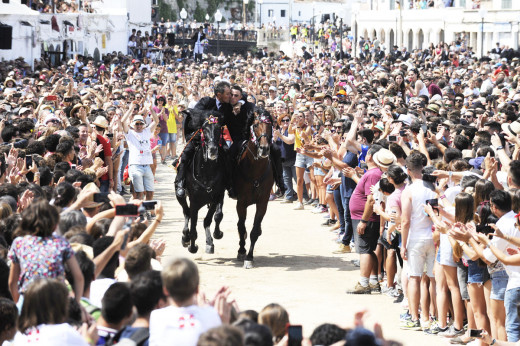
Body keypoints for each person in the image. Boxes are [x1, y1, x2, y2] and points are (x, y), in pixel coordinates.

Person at [8, 200, 84, 305]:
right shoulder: (61, 242)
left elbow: (12, 282)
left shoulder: (19, 242)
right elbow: (78, 277)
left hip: (28, 300)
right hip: (56, 301)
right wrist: (77, 303)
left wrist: (19, 304)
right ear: (55, 224)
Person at [400, 151, 437, 331]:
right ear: (422, 167)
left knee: (414, 278)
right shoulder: (432, 187)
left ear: (408, 169)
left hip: (415, 238)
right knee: (433, 279)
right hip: (434, 236)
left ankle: (415, 317)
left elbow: (405, 221)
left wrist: (403, 244)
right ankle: (433, 317)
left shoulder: (408, 191)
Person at [149, 258, 221, 346]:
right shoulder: (211, 314)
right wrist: (206, 309)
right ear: (197, 290)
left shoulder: (156, 316)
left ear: (165, 290)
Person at [121, 104, 159, 200]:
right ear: (133, 125)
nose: (139, 126)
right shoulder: (130, 133)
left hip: (147, 166)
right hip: (135, 166)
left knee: (150, 192)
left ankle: (149, 211)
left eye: (140, 123)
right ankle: (140, 214)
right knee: (139, 193)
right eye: (136, 124)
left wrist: (151, 109)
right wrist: (130, 109)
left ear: (143, 124)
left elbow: (156, 121)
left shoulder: (147, 131)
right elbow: (122, 121)